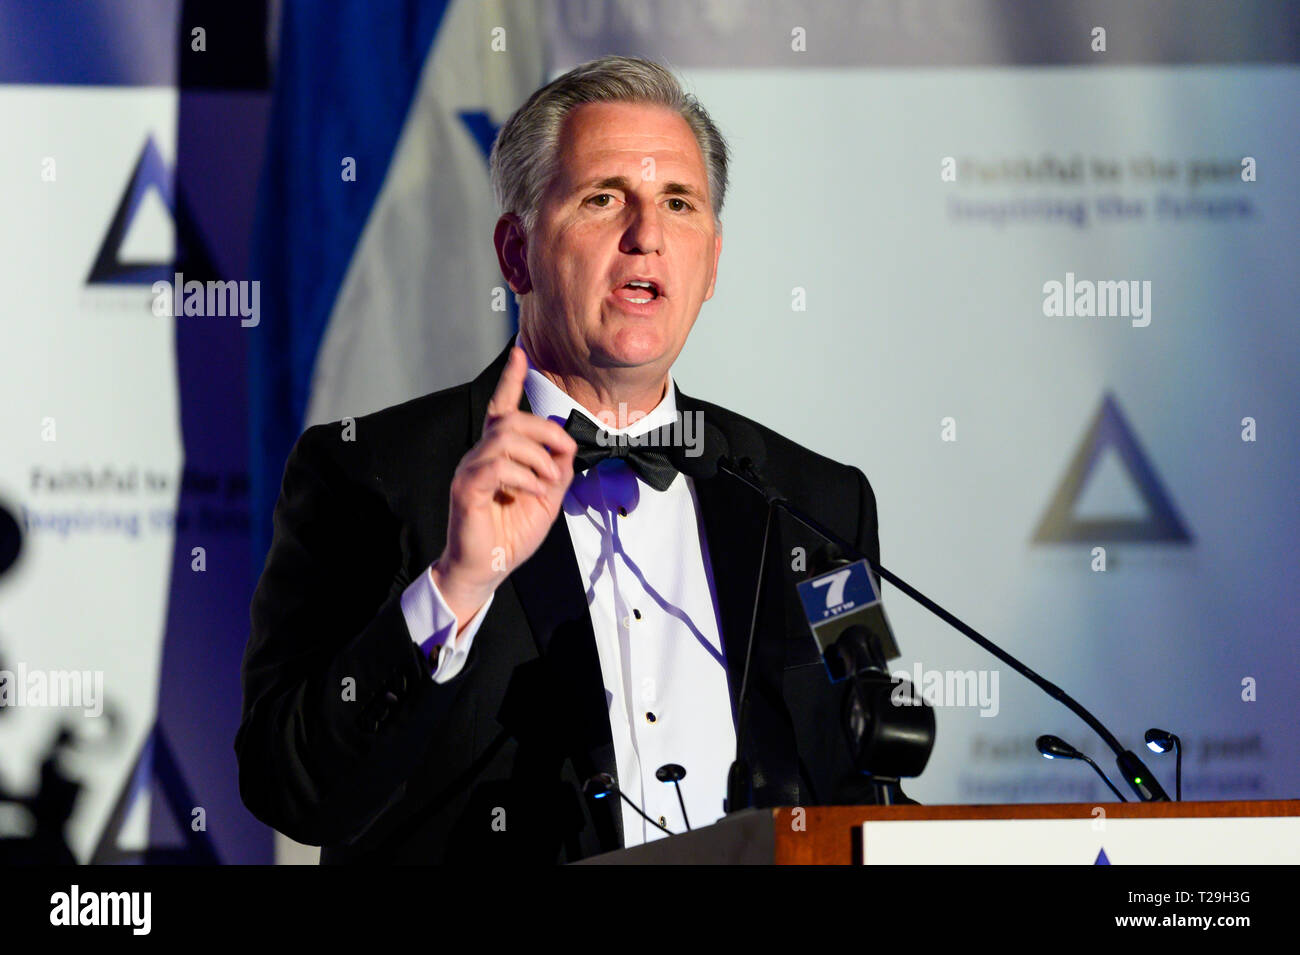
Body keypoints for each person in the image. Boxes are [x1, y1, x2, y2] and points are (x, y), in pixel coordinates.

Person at [236, 55, 885, 864]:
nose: (646, 234)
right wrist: (453, 589)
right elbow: (291, 786)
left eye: (677, 203)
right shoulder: (372, 474)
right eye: (603, 198)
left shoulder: (817, 501)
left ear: (711, 262)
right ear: (516, 254)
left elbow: (864, 784)